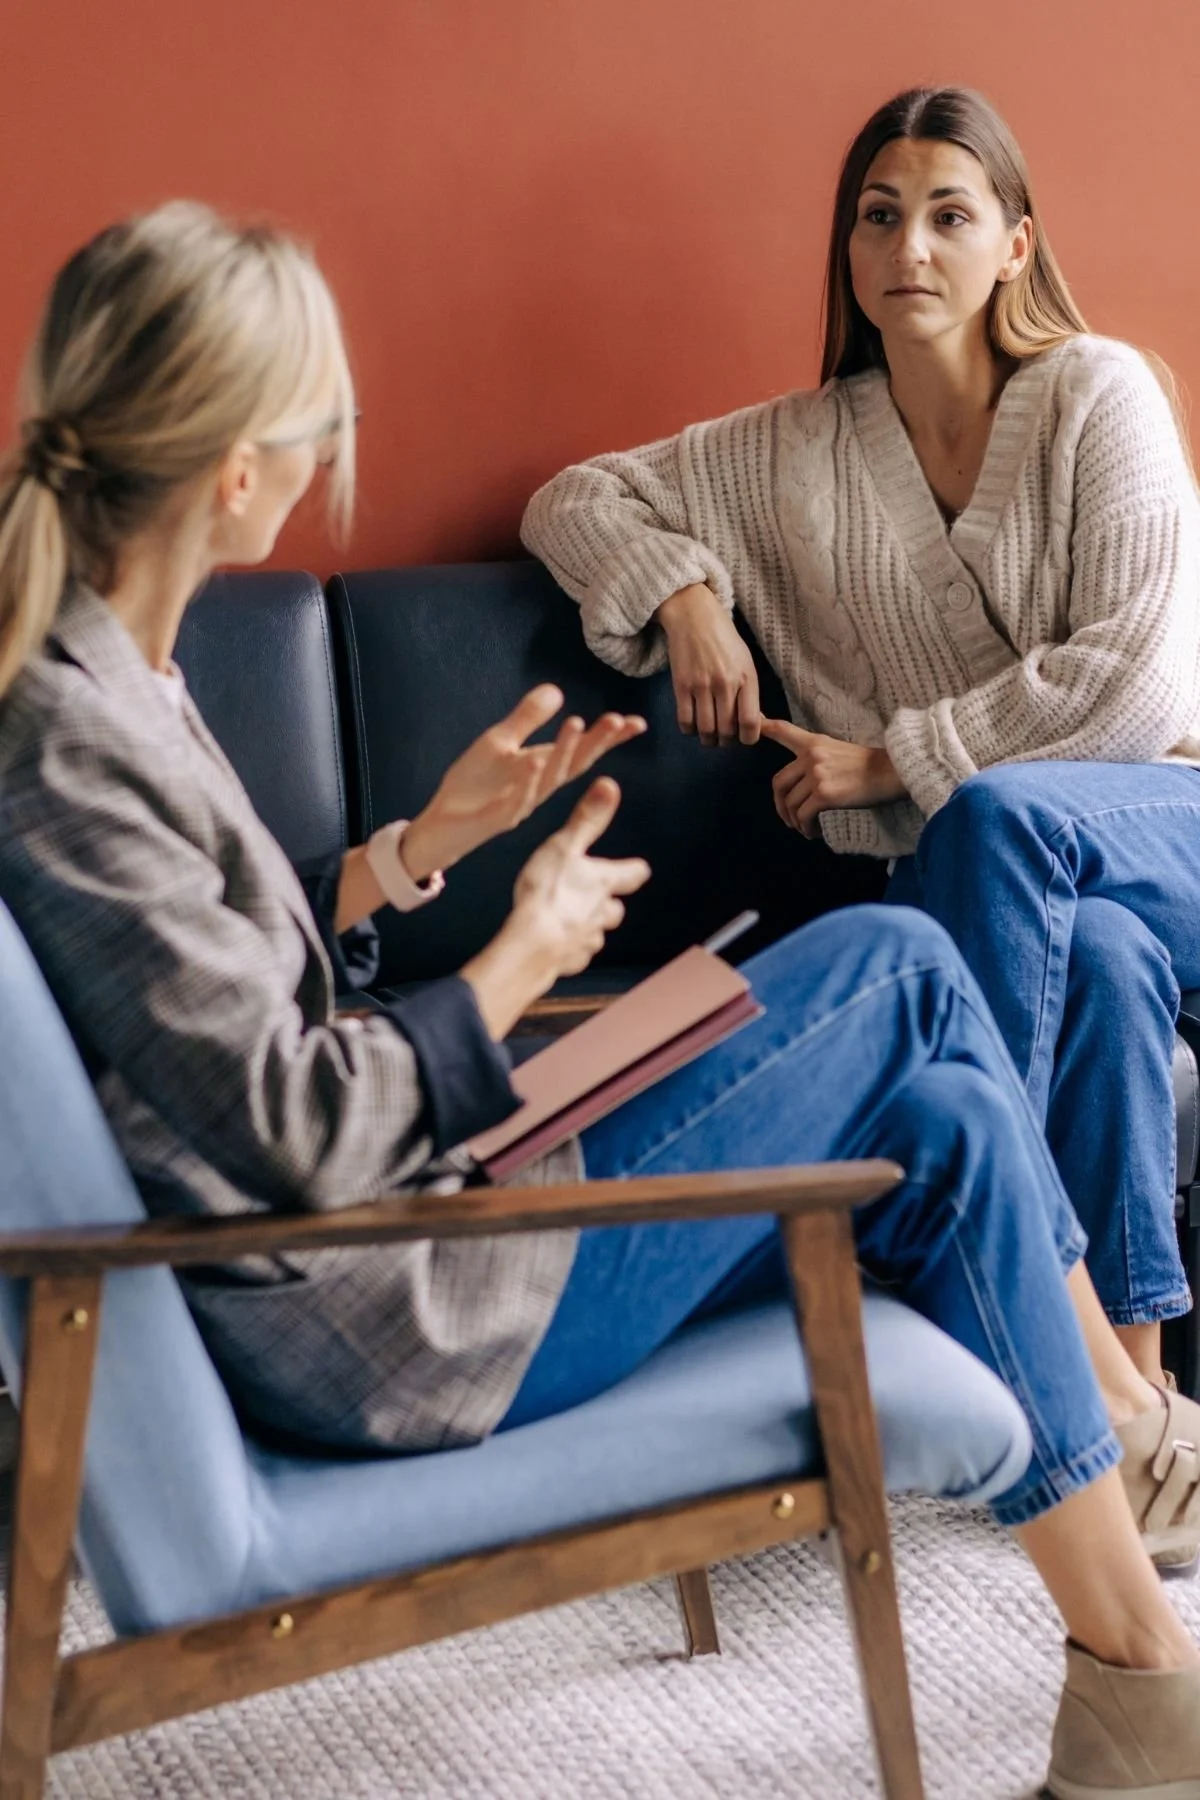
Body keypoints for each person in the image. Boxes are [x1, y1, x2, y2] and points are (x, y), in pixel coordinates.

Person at [1, 206, 1199, 1800]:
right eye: (323, 427)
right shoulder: (62, 732)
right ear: (236, 469)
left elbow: (211, 975)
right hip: (387, 1308)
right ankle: (1126, 1463)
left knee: (946, 1102)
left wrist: (424, 849)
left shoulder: (107, 681)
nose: (329, 455)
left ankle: (1139, 1686)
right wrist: (516, 961)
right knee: (902, 972)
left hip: (407, 1229)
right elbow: (285, 1126)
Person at [521, 83, 1200, 1442]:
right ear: (847, 250)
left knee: (999, 820)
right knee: (1106, 970)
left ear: (1015, 242)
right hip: (1022, 885)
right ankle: (1135, 1400)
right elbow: (574, 496)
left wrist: (889, 760)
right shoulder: (799, 452)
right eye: (878, 218)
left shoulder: (1098, 393)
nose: (910, 251)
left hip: (1161, 818)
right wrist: (686, 597)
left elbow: (1137, 684)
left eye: (951, 216)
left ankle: (995, 1278)